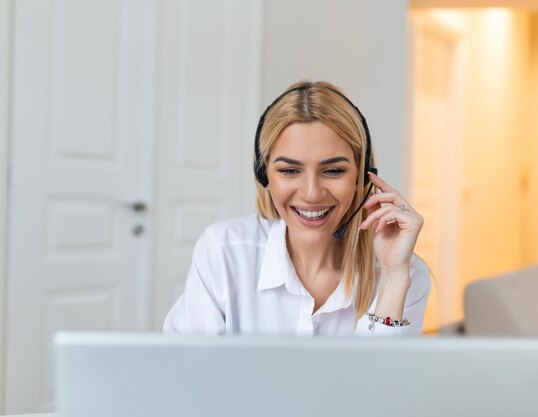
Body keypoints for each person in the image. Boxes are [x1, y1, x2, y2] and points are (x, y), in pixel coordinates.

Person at [163, 80, 430, 336]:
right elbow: (182, 370)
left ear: (362, 176)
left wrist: (393, 277)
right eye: (290, 170)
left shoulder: (403, 270)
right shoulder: (224, 251)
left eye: (333, 170)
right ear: (263, 174)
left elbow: (385, 381)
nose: (312, 193)